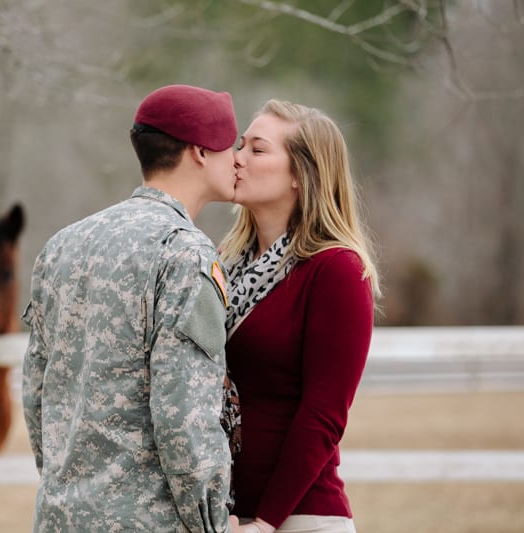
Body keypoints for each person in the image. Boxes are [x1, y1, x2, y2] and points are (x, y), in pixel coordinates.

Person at [22, 84, 240, 532]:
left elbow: (36, 394)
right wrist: (212, 522)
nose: (237, 160)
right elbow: (185, 416)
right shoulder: (184, 254)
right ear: (200, 152)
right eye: (228, 147)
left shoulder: (62, 245)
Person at [218, 100, 381, 533]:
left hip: (297, 517)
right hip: (226, 514)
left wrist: (267, 523)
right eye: (239, 145)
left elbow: (324, 413)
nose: (236, 158)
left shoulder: (337, 270)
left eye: (257, 149)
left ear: (299, 175)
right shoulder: (224, 263)